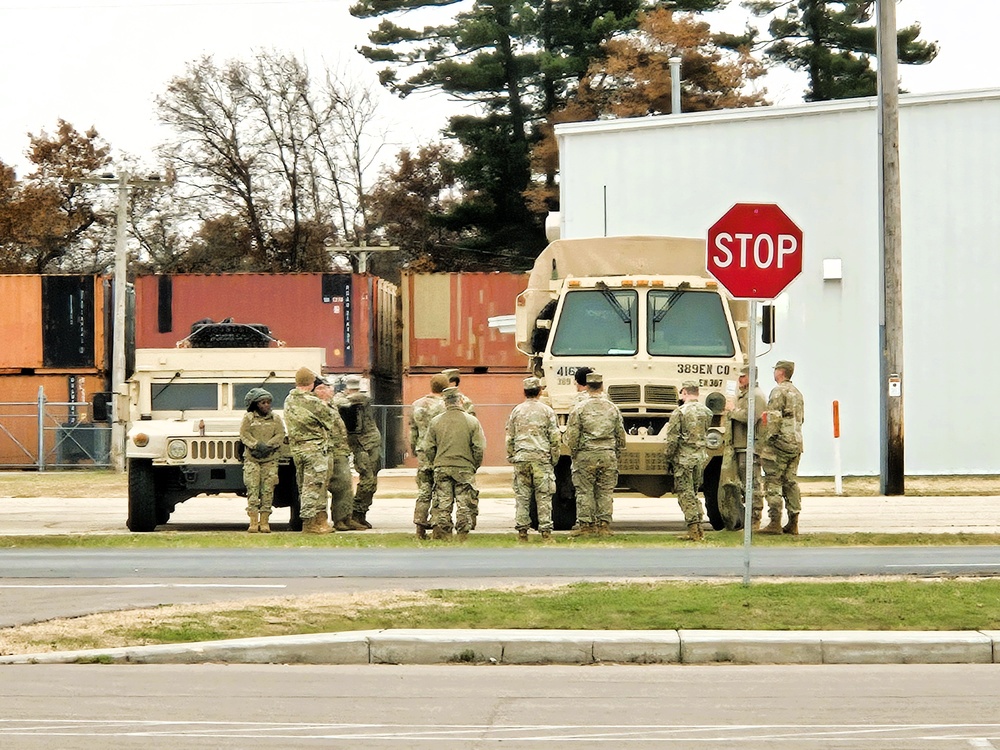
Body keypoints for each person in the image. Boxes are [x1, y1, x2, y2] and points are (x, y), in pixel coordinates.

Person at [563, 372, 626, 537]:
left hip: (586, 455)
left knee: (584, 491)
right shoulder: (612, 407)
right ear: (602, 386)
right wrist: (615, 452)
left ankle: (586, 526)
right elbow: (620, 435)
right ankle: (604, 526)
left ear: (587, 387)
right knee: (605, 491)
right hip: (607, 454)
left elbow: (573, 436)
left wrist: (575, 453)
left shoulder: (579, 408)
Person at [423, 386, 486, 541]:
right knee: (464, 504)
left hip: (442, 467)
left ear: (445, 402)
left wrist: (436, 462)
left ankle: (445, 536)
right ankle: (462, 537)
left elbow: (428, 447)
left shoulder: (435, 422)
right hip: (464, 467)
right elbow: (479, 447)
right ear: (460, 401)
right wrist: (474, 465)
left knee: (443, 504)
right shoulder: (472, 421)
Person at [505, 376, 561, 542]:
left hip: (522, 458)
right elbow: (555, 437)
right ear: (540, 391)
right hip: (541, 458)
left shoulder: (516, 411)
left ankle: (522, 532)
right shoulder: (547, 411)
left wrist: (511, 456)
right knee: (543, 496)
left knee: (522, 497)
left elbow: (510, 437)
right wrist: (554, 458)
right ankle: (546, 533)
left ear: (524, 392)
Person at [283, 367, 336, 534]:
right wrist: (327, 401)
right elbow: (331, 418)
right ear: (311, 383)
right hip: (314, 449)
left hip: (297, 450)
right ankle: (310, 524)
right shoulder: (313, 402)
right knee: (313, 487)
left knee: (304, 486)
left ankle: (320, 521)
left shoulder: (289, 399)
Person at [663, 381, 714, 541]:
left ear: (684, 392)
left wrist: (668, 458)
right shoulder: (707, 412)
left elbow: (672, 439)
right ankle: (699, 528)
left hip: (684, 459)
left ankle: (693, 529)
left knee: (685, 494)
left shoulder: (680, 412)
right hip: (700, 458)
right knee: (693, 493)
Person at [760, 360, 805, 535]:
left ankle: (774, 522)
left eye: (775, 370)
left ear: (780, 372)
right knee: (791, 482)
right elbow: (801, 419)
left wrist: (767, 441)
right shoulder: (797, 393)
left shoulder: (778, 391)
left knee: (773, 480)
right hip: (796, 442)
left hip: (780, 443)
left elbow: (773, 418)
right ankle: (793, 521)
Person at [315, 377, 362, 532]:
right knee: (338, 485)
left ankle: (346, 518)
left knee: (346, 485)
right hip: (330, 450)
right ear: (319, 390)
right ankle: (338, 520)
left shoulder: (331, 404)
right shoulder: (318, 406)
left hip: (340, 449)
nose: (332, 390)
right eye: (328, 387)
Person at [337, 374, 382, 529]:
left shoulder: (363, 398)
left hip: (371, 443)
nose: (354, 390)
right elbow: (338, 402)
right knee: (368, 481)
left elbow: (355, 399)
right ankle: (355, 513)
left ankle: (361, 514)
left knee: (372, 482)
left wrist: (346, 397)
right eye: (352, 388)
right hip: (360, 446)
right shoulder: (342, 398)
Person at [238, 388, 285, 533]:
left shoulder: (276, 418)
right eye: (263, 402)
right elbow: (244, 434)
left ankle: (264, 522)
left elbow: (280, 434)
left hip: (269, 459)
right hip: (252, 459)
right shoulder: (249, 418)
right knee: (253, 489)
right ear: (255, 404)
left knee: (268, 490)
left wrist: (268, 446)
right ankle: (253, 521)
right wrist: (256, 445)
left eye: (268, 402)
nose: (266, 405)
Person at [410, 373, 449, 538]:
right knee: (441, 489)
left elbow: (413, 430)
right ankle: (437, 527)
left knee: (424, 488)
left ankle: (419, 525)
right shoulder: (445, 406)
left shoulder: (417, 404)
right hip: (440, 451)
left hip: (422, 451)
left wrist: (414, 448)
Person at [728, 366, 767, 531]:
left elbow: (750, 417)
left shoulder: (756, 396)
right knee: (744, 484)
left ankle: (755, 519)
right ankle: (746, 518)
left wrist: (732, 410)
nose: (740, 380)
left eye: (743, 377)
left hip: (749, 446)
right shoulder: (744, 395)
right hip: (740, 445)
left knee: (752, 483)